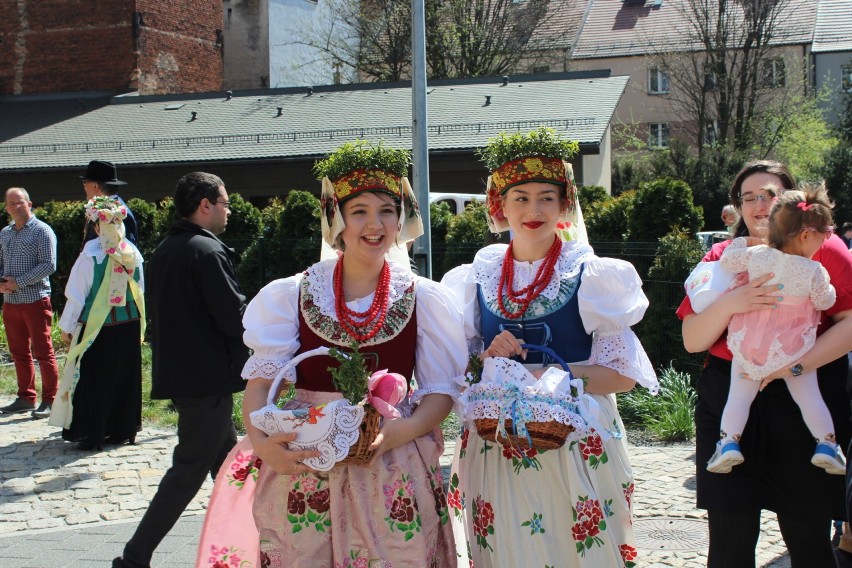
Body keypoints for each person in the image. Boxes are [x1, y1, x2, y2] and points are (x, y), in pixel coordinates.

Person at [194, 141, 466, 567]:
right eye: (359, 211)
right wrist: (266, 448)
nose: (374, 224)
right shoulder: (295, 294)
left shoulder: (424, 299)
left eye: (386, 210)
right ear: (336, 221)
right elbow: (261, 385)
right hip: (305, 466)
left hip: (390, 463)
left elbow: (440, 393)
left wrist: (395, 433)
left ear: (402, 220)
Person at [441, 128, 659, 567]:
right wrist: (486, 359)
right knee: (507, 549)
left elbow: (622, 376)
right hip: (497, 442)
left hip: (574, 439)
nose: (533, 209)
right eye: (520, 197)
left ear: (565, 205)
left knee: (572, 548)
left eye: (546, 196)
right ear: (500, 205)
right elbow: (457, 370)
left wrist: (551, 376)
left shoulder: (591, 274)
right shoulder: (477, 274)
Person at [677, 160, 852, 567]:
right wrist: (733, 302)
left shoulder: (824, 249)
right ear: (738, 207)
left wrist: (794, 367)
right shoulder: (725, 256)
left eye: (769, 194)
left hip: (803, 399)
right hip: (730, 400)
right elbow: (692, 340)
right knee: (730, 544)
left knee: (808, 540)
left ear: (790, 200)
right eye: (748, 197)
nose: (759, 205)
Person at [113, 172, 250, 568]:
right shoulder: (206, 251)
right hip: (205, 378)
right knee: (188, 471)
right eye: (224, 202)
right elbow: (232, 316)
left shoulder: (166, 249)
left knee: (231, 468)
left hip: (186, 375)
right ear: (204, 205)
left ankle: (257, 541)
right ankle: (134, 558)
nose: (228, 209)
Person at [691, 185, 844, 476]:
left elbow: (728, 261)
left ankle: (728, 443)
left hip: (750, 344)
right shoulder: (814, 270)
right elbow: (826, 301)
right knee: (809, 396)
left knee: (739, 396)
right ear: (806, 236)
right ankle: (826, 444)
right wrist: (827, 288)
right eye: (825, 233)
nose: (827, 239)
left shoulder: (759, 255)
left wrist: (742, 242)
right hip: (792, 348)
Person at [49, 196, 144, 451]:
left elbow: (77, 294)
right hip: (129, 323)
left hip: (98, 327)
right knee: (124, 376)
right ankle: (122, 428)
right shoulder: (131, 251)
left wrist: (67, 327)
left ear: (95, 225)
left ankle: (93, 432)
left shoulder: (91, 254)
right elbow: (140, 290)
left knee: (95, 377)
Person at [0, 187, 60, 419]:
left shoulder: (43, 231)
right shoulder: (5, 233)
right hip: (10, 301)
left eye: (20, 202)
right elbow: (3, 263)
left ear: (30, 203)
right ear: (6, 208)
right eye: (11, 203)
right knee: (18, 352)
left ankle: (51, 399)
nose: (16, 207)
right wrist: (3, 283)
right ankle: (26, 397)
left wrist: (20, 282)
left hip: (35, 300)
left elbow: (49, 265)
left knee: (43, 351)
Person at [80, 160, 138, 246]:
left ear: (95, 186)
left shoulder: (118, 212)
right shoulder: (104, 208)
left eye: (85, 182)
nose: (84, 186)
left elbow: (126, 252)